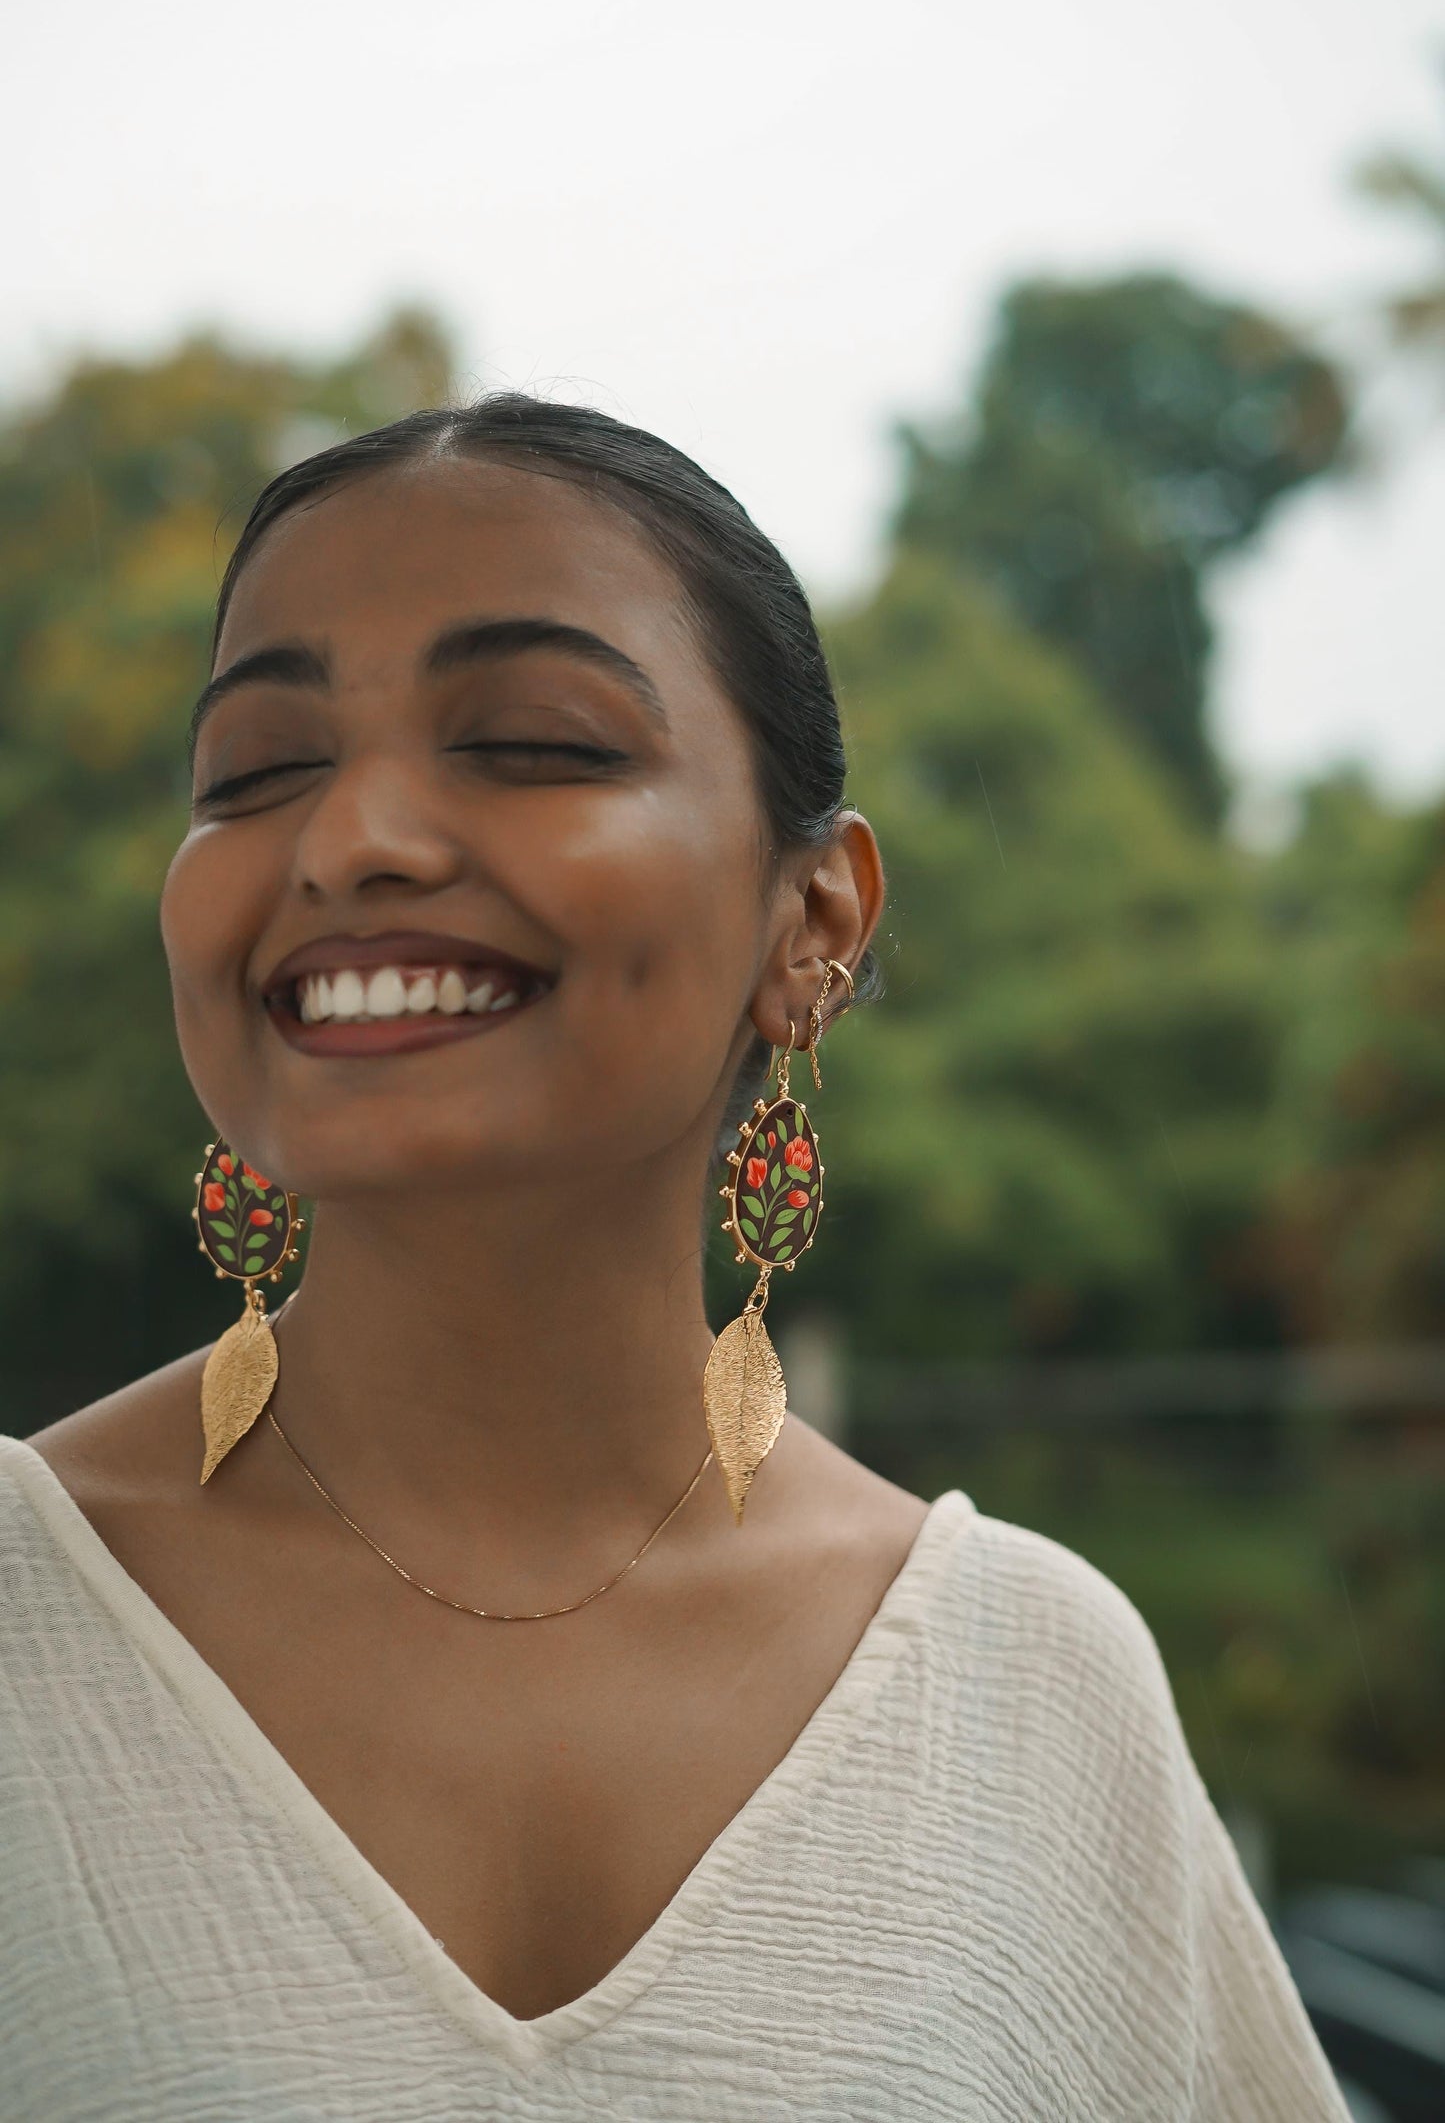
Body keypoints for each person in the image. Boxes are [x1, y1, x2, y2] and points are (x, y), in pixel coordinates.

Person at [1, 397, 1348, 2119]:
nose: (351, 843)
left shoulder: (1029, 1689)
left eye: (534, 743)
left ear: (815, 925)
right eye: (257, 773)